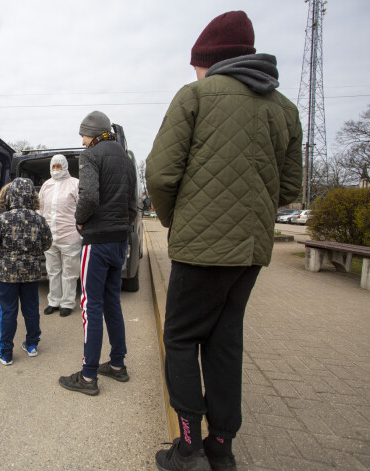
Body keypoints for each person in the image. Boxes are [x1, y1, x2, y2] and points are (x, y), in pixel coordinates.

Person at [145, 11, 302, 471]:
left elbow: (159, 172)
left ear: (210, 60)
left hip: (200, 250)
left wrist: (177, 218)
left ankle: (188, 446)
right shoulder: (285, 109)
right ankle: (222, 447)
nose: (193, 72)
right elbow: (290, 186)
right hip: (250, 252)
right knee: (225, 341)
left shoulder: (195, 96)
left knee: (180, 337)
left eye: (196, 63)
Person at [58, 110, 137, 396]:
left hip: (98, 240)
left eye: (82, 134)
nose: (81, 140)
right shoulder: (125, 158)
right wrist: (124, 225)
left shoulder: (91, 155)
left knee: (91, 306)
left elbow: (88, 195)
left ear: (92, 132)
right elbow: (133, 202)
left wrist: (80, 220)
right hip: (119, 240)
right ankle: (117, 365)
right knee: (112, 302)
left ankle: (88, 376)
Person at [0, 178, 53, 365]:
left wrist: (2, 252)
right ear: (32, 197)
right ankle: (31, 345)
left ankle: (6, 353)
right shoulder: (39, 220)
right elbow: (47, 243)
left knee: (8, 311)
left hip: (7, 274)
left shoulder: (2, 219)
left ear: (9, 195)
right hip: (32, 273)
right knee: (31, 309)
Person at [38, 154, 81, 317]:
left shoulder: (75, 184)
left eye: (59, 166)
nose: (56, 169)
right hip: (50, 237)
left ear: (65, 166)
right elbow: (40, 209)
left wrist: (80, 228)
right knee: (52, 271)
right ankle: (54, 301)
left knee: (70, 272)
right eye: (54, 166)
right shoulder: (46, 185)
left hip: (70, 235)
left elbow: (82, 208)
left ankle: (67, 303)